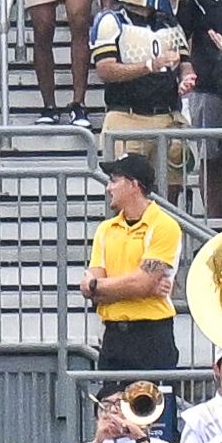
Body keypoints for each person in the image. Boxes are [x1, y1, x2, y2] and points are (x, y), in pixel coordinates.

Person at [81, 153, 184, 377]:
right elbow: (88, 289)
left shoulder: (165, 226)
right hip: (114, 338)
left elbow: (141, 283)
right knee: (110, 409)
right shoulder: (105, 229)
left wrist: (98, 285)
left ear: (134, 184)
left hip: (152, 336)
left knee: (154, 409)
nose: (109, 188)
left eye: (114, 180)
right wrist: (135, 288)